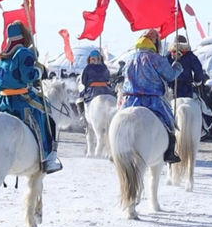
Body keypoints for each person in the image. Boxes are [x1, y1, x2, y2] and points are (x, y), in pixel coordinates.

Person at [0, 21, 62, 173]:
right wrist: (39, 69)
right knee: (46, 116)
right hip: (20, 100)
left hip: (1, 101)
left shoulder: (1, 56)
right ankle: (48, 159)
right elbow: (28, 76)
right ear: (24, 36)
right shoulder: (23, 53)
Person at [119, 28, 183, 163]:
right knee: (170, 124)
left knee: (117, 122)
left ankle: (113, 150)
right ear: (154, 42)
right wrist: (177, 66)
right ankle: (170, 153)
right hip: (152, 99)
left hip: (130, 99)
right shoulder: (156, 58)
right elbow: (170, 76)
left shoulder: (129, 58)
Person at [78, 49, 114, 114]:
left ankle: (82, 116)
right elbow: (108, 78)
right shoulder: (104, 67)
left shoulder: (88, 67)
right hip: (106, 89)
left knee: (80, 98)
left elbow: (84, 81)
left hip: (92, 90)